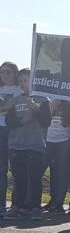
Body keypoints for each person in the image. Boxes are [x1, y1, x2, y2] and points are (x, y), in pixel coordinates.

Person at [4, 69, 51, 220]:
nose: (22, 83)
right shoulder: (16, 99)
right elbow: (9, 121)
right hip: (17, 144)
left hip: (35, 144)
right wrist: (23, 121)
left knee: (34, 177)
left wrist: (36, 110)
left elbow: (46, 121)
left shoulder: (44, 99)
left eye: (25, 80)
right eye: (20, 81)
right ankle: (17, 206)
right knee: (19, 178)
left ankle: (35, 207)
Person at [44, 100, 70, 214]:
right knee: (52, 171)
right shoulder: (49, 103)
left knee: (62, 172)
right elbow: (45, 120)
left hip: (63, 140)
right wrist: (52, 107)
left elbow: (67, 123)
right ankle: (52, 200)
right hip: (49, 139)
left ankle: (59, 203)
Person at [0, 62, 22, 216]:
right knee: (1, 170)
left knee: (15, 170)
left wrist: (7, 106)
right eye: (2, 72)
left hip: (13, 130)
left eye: (8, 72)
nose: (5, 75)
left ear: (15, 73)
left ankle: (16, 204)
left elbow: (13, 107)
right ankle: (1, 205)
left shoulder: (19, 90)